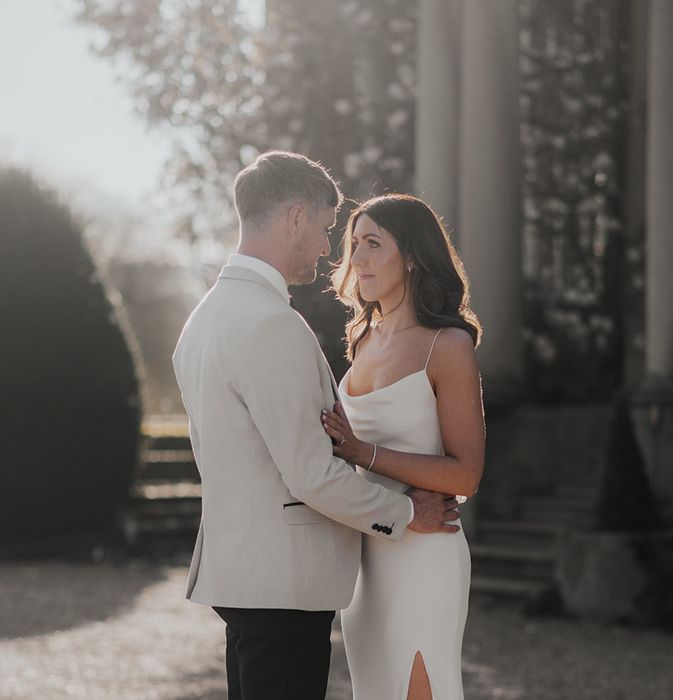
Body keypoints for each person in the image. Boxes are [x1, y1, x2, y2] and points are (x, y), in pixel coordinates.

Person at [172, 152, 460, 700]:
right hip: (283, 585)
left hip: (240, 573)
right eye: (328, 230)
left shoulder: (204, 318)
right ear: (296, 218)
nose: (331, 250)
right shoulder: (273, 325)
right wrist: (407, 512)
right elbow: (310, 475)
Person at [321, 193, 485, 700]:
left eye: (373, 243)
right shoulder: (362, 339)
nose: (358, 259)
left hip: (425, 554)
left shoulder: (448, 345)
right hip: (367, 553)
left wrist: (363, 453)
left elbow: (465, 475)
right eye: (353, 245)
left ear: (411, 254)